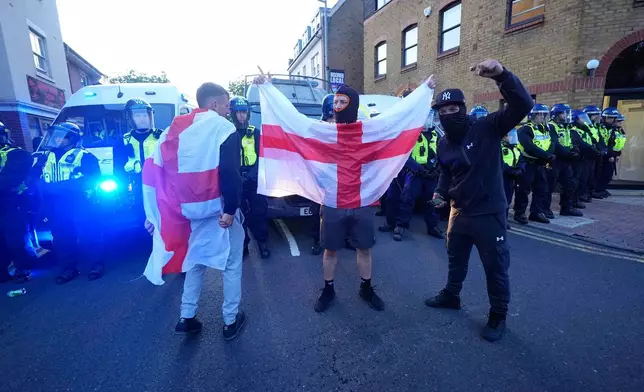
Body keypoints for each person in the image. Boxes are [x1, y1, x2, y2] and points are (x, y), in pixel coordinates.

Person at [424, 59, 533, 342]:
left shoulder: (488, 127)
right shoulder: (443, 142)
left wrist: (502, 75)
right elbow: (447, 174)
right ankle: (452, 295)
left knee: (495, 268)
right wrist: (439, 193)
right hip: (459, 214)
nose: (449, 114)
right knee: (455, 259)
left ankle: (498, 315)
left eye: (454, 109)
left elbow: (522, 105)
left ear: (463, 109)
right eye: (443, 111)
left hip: (489, 214)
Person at [144, 83, 246, 340]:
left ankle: (186, 316)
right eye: (225, 104)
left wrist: (154, 214)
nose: (228, 109)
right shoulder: (223, 128)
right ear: (214, 104)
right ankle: (230, 320)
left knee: (195, 262)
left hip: (187, 213)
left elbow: (157, 174)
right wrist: (231, 209)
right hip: (219, 209)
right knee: (232, 265)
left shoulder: (172, 130)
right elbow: (230, 172)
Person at [34, 122, 105, 284]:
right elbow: (35, 178)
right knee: (61, 237)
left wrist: (59, 188)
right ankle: (68, 268)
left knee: (89, 234)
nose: (58, 140)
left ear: (73, 139)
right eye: (55, 136)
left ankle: (96, 264)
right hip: (55, 205)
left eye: (62, 137)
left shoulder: (85, 156)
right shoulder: (45, 157)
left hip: (80, 203)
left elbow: (92, 180)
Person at [379, 125, 444, 241]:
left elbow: (443, 153)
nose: (427, 122)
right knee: (407, 199)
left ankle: (433, 226)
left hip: (432, 173)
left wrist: (437, 168)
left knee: (434, 200)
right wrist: (419, 169)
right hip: (415, 172)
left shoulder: (436, 135)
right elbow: (404, 153)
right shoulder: (411, 133)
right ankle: (400, 225)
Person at [229, 96, 270, 259]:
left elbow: (262, 156)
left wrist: (252, 175)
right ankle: (244, 244)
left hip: (254, 180)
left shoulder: (255, 133)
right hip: (236, 180)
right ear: (232, 114)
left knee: (259, 213)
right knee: (239, 215)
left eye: (244, 112)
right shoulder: (227, 133)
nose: (241, 116)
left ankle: (262, 243)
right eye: (238, 112)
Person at [0, 127, 38, 283]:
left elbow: (10, 180)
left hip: (11, 202)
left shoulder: (16, 154)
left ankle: (23, 268)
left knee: (16, 240)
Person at [513, 104, 554, 224]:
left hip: (540, 163)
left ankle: (536, 212)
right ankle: (520, 213)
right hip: (528, 163)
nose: (542, 116)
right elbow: (529, 147)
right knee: (524, 190)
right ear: (533, 116)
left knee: (542, 189)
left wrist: (549, 155)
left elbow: (551, 142)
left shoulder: (545, 128)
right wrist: (546, 156)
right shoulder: (525, 129)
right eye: (539, 114)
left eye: (544, 114)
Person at [545, 104, 583, 217]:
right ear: (556, 114)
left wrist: (574, 149)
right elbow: (555, 144)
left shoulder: (566, 127)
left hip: (566, 161)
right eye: (563, 113)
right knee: (550, 185)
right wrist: (568, 153)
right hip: (555, 160)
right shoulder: (551, 126)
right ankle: (545, 209)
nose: (566, 115)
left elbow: (570, 141)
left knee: (569, 184)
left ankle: (566, 207)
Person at [571, 110, 601, 205]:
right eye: (582, 119)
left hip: (585, 158)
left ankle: (577, 199)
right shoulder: (574, 130)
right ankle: (572, 201)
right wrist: (595, 152)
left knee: (582, 179)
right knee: (575, 181)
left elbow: (593, 141)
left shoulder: (585, 129)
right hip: (577, 158)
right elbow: (581, 144)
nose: (584, 121)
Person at [595, 107, 621, 198]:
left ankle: (601, 189)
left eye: (613, 118)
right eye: (609, 118)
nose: (612, 120)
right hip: (599, 154)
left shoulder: (613, 129)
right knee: (598, 174)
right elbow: (599, 141)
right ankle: (596, 190)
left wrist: (613, 154)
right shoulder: (599, 127)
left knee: (607, 174)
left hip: (608, 154)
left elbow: (612, 143)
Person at [581, 106, 606, 200]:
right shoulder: (583, 126)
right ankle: (583, 193)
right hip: (586, 155)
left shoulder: (594, 126)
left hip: (594, 155)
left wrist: (602, 149)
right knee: (584, 176)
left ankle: (589, 191)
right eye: (595, 115)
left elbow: (599, 139)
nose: (597, 118)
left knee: (592, 175)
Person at [501, 129, 522, 228]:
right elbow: (500, 163)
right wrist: (510, 171)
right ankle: (502, 221)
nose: (512, 138)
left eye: (513, 136)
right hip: (502, 177)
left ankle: (504, 219)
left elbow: (522, 160)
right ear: (504, 137)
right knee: (502, 199)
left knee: (508, 199)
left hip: (512, 177)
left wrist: (520, 170)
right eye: (509, 136)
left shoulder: (516, 148)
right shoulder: (499, 148)